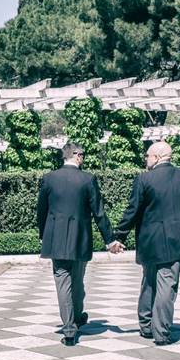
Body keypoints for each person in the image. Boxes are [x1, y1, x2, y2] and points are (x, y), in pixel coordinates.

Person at [113, 141, 180, 345]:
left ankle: (146, 326)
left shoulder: (144, 179)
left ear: (158, 157)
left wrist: (119, 236)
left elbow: (132, 211)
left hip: (150, 240)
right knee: (167, 284)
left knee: (149, 281)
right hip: (178, 238)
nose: (145, 159)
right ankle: (161, 332)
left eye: (147, 156)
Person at [37, 141, 121, 346]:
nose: (83, 158)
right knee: (76, 280)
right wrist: (110, 240)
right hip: (80, 238)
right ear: (76, 155)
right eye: (82, 154)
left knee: (62, 282)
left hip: (55, 239)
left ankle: (69, 327)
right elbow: (99, 213)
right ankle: (75, 318)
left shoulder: (49, 179)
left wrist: (42, 234)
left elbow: (41, 211)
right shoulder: (87, 179)